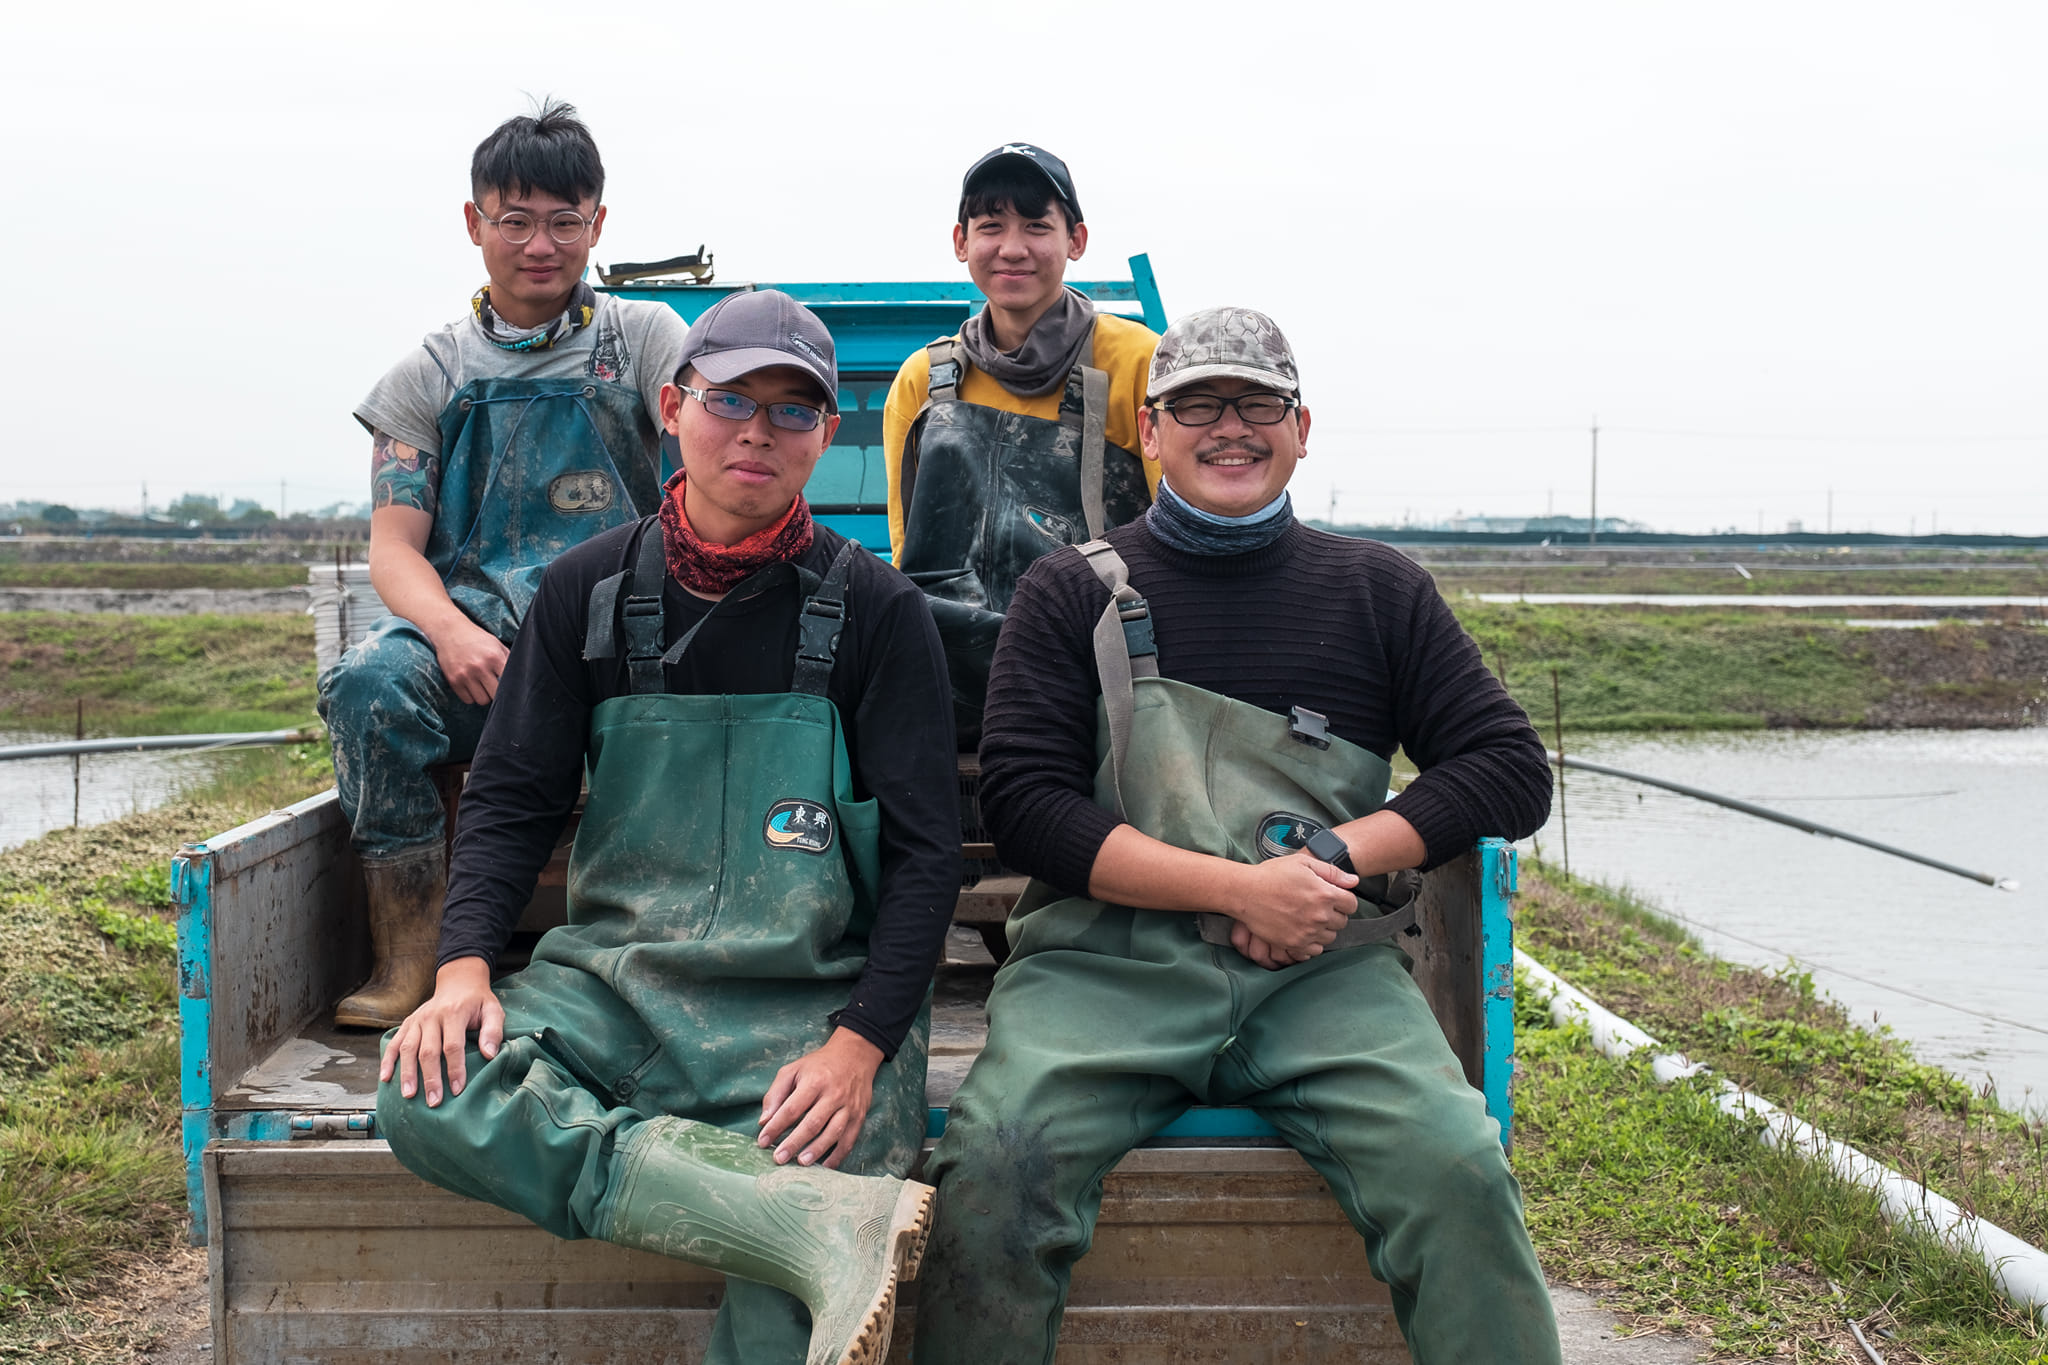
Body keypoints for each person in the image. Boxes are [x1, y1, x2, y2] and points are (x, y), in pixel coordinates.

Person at [912, 307, 1566, 1363]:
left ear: (1301, 428)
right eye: (1196, 405)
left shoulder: (1376, 591)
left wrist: (1330, 863)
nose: (1230, 428)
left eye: (1257, 404)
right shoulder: (1069, 589)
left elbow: (1505, 772)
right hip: (1102, 970)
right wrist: (1233, 891)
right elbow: (1027, 805)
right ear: (1148, 428)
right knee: (996, 1167)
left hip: (1322, 977)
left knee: (1455, 1166)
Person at [375, 289, 960, 1365]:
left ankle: (796, 1217)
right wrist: (461, 969)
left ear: (826, 437)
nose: (758, 430)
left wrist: (861, 1043)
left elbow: (928, 857)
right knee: (430, 1093)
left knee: (813, 1307)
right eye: (731, 398)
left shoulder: (879, 612)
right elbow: (509, 799)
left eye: (794, 411)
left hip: (810, 1004)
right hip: (620, 990)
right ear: (670, 407)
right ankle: (781, 1211)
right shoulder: (587, 591)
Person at [317, 99, 687, 1029]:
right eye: (515, 220)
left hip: (618, 642)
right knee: (368, 683)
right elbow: (394, 548)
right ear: (474, 223)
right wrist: (449, 633)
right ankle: (414, 950)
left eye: (565, 221)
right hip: (478, 652)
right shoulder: (426, 377)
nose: (540, 244)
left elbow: (702, 482)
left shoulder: (647, 344)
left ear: (597, 225)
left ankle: (678, 948)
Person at [882, 142, 1161, 745]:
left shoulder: (1138, 361)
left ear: (1076, 241)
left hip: (1102, 683)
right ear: (961, 242)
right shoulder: (921, 380)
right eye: (991, 227)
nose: (1013, 248)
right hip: (953, 686)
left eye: (1038, 226)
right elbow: (908, 554)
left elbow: (1174, 540)